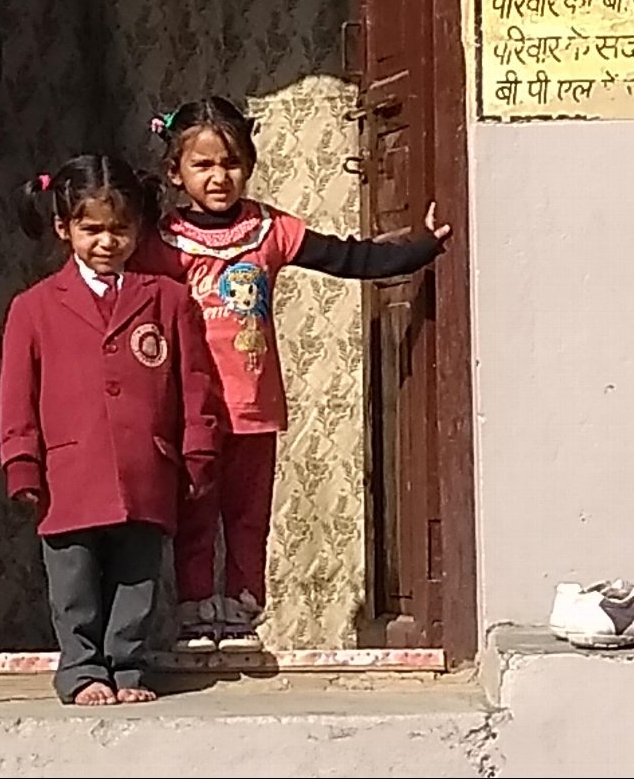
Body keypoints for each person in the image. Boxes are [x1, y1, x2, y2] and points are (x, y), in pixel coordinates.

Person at [132, 97, 452, 654]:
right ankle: (193, 615)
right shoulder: (158, 245)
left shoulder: (269, 230)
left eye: (230, 163)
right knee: (195, 513)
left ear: (250, 164)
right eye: (202, 166)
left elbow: (351, 259)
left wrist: (422, 248)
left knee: (248, 516)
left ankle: (240, 614)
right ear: (174, 172)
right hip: (188, 412)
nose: (218, 177)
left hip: (253, 407)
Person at [0, 154, 220, 705]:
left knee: (137, 578)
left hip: (147, 466)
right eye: (91, 228)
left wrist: (197, 451)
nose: (107, 241)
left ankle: (127, 667)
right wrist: (22, 460)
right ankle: (81, 669)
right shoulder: (34, 308)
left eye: (119, 228)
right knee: (73, 583)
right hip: (68, 471)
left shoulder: (167, 299)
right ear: (63, 228)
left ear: (139, 228)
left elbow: (194, 382)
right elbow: (16, 394)